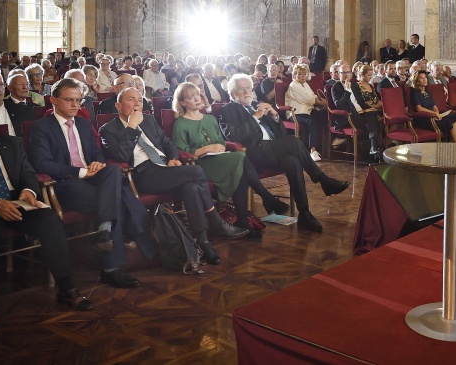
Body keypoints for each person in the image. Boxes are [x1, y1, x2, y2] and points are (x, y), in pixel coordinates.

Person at [29, 78, 154, 289]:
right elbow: (42, 164)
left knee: (113, 169)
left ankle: (105, 229)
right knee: (118, 196)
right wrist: (80, 172)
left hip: (93, 179)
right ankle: (111, 268)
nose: (76, 105)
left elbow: (97, 153)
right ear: (53, 100)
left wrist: (97, 164)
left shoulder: (84, 124)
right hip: (65, 183)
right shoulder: (41, 127)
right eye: (69, 100)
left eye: (78, 100)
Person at [99, 88, 250, 262]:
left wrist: (172, 158)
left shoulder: (147, 119)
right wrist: (132, 127)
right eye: (131, 99)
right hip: (142, 174)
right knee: (196, 171)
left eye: (139, 100)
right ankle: (215, 220)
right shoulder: (108, 129)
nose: (136, 104)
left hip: (164, 167)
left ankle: (203, 242)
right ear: (118, 105)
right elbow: (121, 156)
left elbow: (167, 143)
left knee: (192, 188)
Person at [0, 100, 92, 334]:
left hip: (17, 200)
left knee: (50, 220)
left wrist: (28, 191)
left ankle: (66, 287)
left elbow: (28, 173)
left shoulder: (10, 143)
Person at [218, 74, 350, 233]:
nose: (247, 91)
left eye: (249, 88)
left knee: (293, 161)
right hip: (252, 154)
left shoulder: (256, 104)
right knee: (293, 141)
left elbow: (280, 133)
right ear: (232, 93)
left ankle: (305, 213)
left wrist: (274, 116)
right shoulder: (228, 110)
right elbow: (235, 136)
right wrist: (255, 117)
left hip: (272, 150)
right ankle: (323, 180)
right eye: (242, 89)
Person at [171, 83, 288, 233]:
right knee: (240, 157)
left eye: (197, 95)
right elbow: (182, 153)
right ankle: (267, 198)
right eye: (190, 97)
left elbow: (221, 141)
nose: (196, 99)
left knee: (241, 174)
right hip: (199, 165)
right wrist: (205, 149)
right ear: (182, 102)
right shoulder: (180, 124)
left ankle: (245, 224)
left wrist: (219, 147)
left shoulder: (209, 119)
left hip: (220, 158)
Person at [331, 64, 382, 162]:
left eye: (348, 72)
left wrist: (371, 108)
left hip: (361, 113)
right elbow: (339, 106)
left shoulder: (354, 85)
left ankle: (373, 149)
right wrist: (346, 90)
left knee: (373, 116)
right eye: (343, 73)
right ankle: (374, 149)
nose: (346, 75)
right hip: (348, 117)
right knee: (373, 120)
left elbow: (361, 102)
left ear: (351, 74)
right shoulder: (336, 87)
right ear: (338, 74)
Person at [285, 64, 327, 161]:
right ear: (294, 75)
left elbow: (313, 95)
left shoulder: (305, 84)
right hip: (296, 113)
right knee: (312, 122)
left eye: (304, 74)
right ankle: (313, 150)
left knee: (325, 115)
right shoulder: (293, 86)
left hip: (307, 111)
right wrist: (319, 102)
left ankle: (325, 147)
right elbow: (309, 99)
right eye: (300, 74)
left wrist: (318, 101)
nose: (303, 76)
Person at [409, 70, 456, 142]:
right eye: (421, 78)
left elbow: (434, 106)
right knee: (452, 120)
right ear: (417, 81)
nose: (424, 79)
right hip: (424, 119)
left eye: (425, 77)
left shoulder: (428, 92)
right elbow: (419, 108)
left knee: (455, 118)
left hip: (434, 117)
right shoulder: (415, 92)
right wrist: (433, 114)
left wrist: (437, 113)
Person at [3, 73, 36, 137]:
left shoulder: (36, 107)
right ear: (10, 88)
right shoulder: (3, 107)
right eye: (20, 84)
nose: (25, 87)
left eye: (27, 84)